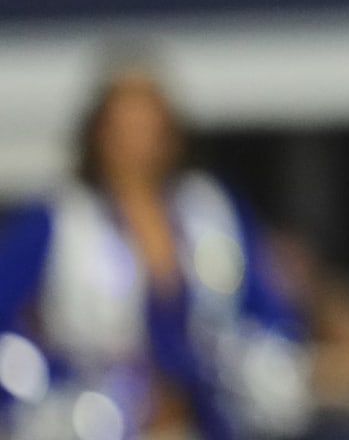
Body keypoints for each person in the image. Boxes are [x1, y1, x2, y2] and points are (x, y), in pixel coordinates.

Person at [0, 65, 310, 440]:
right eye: (123, 129)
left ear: (171, 137)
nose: (136, 143)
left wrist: (263, 376)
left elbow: (265, 312)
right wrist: (51, 389)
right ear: (97, 134)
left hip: (208, 420)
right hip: (96, 422)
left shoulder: (210, 212)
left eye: (149, 128)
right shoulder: (61, 220)